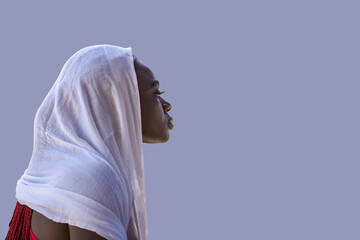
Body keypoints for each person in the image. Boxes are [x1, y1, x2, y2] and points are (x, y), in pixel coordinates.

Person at [6, 45, 173, 240]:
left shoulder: (48, 177)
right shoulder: (94, 179)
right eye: (156, 93)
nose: (167, 105)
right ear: (117, 102)